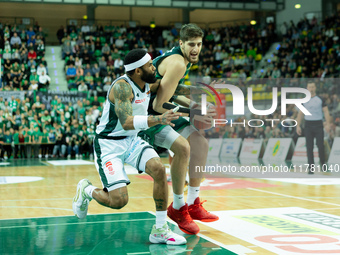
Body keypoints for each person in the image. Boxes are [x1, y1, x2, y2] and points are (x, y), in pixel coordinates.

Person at [72, 49, 186, 245]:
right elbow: (126, 121)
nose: (154, 67)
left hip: (132, 140)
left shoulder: (148, 82)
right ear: (138, 71)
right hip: (109, 144)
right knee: (118, 201)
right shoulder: (122, 88)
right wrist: (159, 118)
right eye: (149, 65)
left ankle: (160, 229)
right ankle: (87, 190)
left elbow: (174, 88)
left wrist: (203, 90)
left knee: (159, 169)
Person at [140, 24, 218, 235]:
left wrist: (196, 106)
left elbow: (170, 94)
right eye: (191, 44)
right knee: (183, 148)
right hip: (146, 117)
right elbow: (158, 105)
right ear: (181, 43)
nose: (196, 49)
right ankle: (178, 207)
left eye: (199, 45)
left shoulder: (182, 59)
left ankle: (193, 203)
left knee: (200, 144)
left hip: (159, 109)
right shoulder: (177, 64)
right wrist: (192, 113)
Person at [296, 81, 331, 173]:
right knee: (309, 147)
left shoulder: (320, 99)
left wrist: (327, 124)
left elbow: (326, 111)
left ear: (315, 88)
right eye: (309, 87)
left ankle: (323, 164)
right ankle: (311, 167)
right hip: (308, 125)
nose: (311, 89)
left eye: (313, 87)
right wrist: (298, 126)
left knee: (320, 146)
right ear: (307, 88)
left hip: (318, 124)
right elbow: (300, 114)